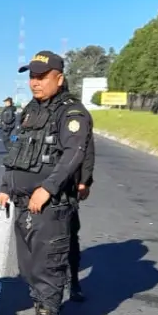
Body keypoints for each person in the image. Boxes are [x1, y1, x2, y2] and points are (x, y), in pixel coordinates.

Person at [0, 51, 94, 315]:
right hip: (23, 202)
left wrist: (48, 188)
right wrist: (5, 186)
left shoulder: (72, 112)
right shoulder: (31, 110)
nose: (34, 83)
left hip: (50, 205)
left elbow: (73, 154)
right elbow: (18, 151)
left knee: (48, 267)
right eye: (32, 77)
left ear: (59, 78)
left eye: (41, 77)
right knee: (29, 266)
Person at [67, 128, 94, 302]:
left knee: (69, 237)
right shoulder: (33, 110)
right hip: (35, 186)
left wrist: (84, 181)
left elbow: (87, 150)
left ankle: (74, 282)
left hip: (66, 188)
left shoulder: (74, 113)